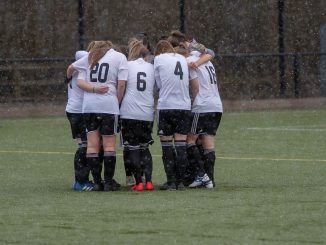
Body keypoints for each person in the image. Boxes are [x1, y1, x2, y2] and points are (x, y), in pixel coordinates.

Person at [68, 40, 128, 191]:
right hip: (109, 105)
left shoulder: (91, 56)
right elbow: (121, 84)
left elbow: (71, 69)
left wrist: (68, 79)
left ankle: (96, 182)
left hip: (89, 106)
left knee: (92, 146)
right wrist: (118, 101)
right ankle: (108, 182)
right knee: (108, 146)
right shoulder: (119, 56)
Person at [154, 40, 199, 190]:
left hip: (166, 106)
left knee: (166, 146)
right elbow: (195, 85)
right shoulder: (183, 59)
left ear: (159, 51)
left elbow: (159, 84)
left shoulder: (159, 59)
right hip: (184, 107)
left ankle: (171, 181)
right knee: (181, 146)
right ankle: (181, 182)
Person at [120, 40, 156, 191]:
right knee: (145, 148)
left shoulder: (127, 66)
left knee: (133, 148)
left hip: (129, 112)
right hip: (147, 112)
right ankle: (148, 181)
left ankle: (138, 182)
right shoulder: (151, 67)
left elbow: (122, 86)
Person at [186, 49, 223, 188]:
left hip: (202, 106)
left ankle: (202, 175)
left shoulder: (190, 60)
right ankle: (211, 180)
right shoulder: (206, 59)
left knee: (190, 139)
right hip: (216, 105)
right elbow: (211, 53)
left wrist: (193, 103)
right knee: (208, 142)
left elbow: (195, 86)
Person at [65, 50, 93, 191]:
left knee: (83, 145)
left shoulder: (73, 74)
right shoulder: (81, 72)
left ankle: (82, 180)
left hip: (72, 111)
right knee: (85, 147)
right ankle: (80, 181)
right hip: (79, 112)